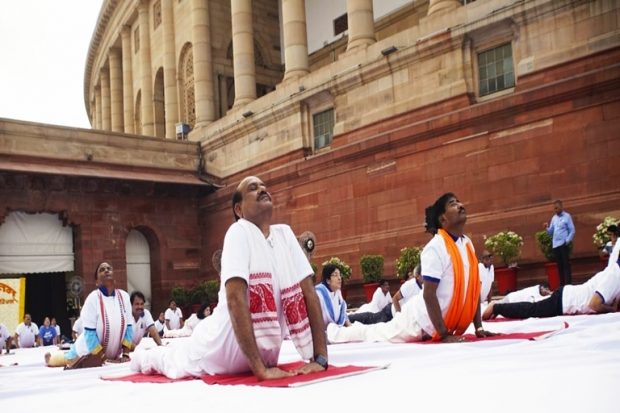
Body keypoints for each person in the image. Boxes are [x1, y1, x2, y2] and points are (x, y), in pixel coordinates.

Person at [131, 176, 328, 380]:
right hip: (216, 351)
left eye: (264, 187)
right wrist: (260, 370)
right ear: (239, 210)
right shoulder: (238, 231)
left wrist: (320, 359)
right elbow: (235, 298)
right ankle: (140, 355)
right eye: (253, 188)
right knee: (167, 360)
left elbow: (309, 293)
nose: (262, 189)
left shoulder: (285, 236)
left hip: (262, 357)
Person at [328, 192, 495, 344]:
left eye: (459, 201)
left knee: (376, 331)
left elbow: (472, 291)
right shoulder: (436, 247)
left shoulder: (467, 244)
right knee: (373, 334)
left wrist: (478, 327)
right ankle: (334, 333)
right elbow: (429, 294)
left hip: (439, 325)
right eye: (453, 204)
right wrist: (444, 334)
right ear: (443, 219)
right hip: (417, 321)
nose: (460, 205)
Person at [45, 261, 133, 368]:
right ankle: (51, 358)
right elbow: (89, 334)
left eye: (108, 268)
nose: (106, 270)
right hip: (88, 350)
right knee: (66, 359)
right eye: (102, 270)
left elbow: (128, 327)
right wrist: (103, 357)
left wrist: (125, 354)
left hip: (113, 355)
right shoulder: (93, 298)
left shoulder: (124, 297)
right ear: (96, 281)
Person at [483, 258, 620, 320]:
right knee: (533, 310)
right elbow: (594, 304)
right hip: (566, 301)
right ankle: (497, 307)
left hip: (567, 297)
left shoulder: (615, 272)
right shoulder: (615, 274)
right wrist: (612, 309)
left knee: (534, 307)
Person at [544, 200, 575, 286]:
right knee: (559, 266)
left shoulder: (567, 216)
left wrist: (567, 240)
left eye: (557, 208)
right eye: (554, 208)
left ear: (561, 207)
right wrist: (547, 228)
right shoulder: (554, 218)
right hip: (555, 245)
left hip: (563, 244)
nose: (555, 210)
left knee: (566, 265)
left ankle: (568, 284)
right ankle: (562, 284)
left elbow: (572, 230)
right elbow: (551, 232)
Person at [315, 264, 350, 329]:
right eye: (335, 275)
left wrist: (350, 327)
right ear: (328, 280)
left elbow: (343, 314)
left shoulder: (337, 292)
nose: (339, 278)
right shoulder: (319, 294)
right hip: (325, 332)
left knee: (366, 317)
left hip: (337, 327)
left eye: (339, 275)